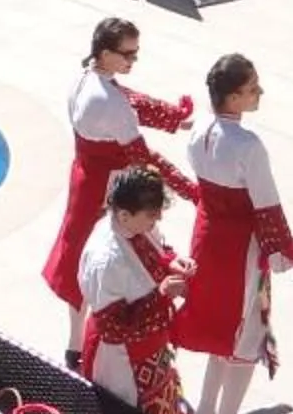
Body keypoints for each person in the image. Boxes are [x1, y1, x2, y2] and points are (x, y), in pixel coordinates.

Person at [176, 53, 293, 414]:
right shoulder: (248, 145)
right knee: (244, 341)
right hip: (240, 252)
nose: (260, 93)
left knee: (220, 334)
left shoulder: (198, 131)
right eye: (252, 89)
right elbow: (268, 208)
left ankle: (204, 413)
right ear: (233, 98)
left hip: (206, 239)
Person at [43, 17, 197, 313]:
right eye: (128, 54)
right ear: (105, 53)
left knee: (77, 255)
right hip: (108, 188)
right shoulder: (109, 101)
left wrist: (173, 119)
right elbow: (146, 157)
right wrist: (189, 190)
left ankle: (74, 344)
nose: (133, 60)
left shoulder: (84, 79)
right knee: (115, 254)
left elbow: (130, 101)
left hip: (85, 179)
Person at [77, 166, 196, 414]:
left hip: (151, 353)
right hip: (124, 362)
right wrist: (162, 295)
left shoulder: (133, 226)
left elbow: (157, 250)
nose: (156, 222)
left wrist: (172, 262)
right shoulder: (107, 261)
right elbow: (114, 329)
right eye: (151, 216)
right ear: (124, 215)